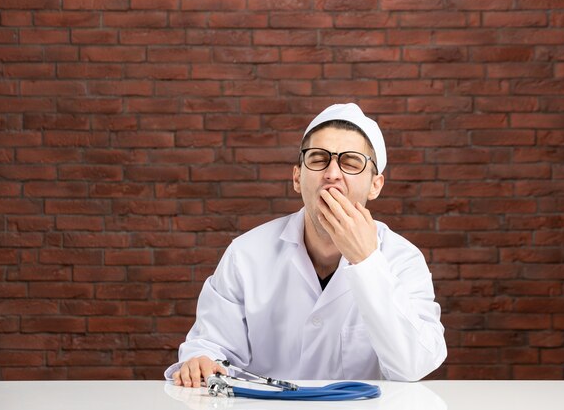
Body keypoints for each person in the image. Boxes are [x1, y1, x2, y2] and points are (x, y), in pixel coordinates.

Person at [164, 103, 447, 387]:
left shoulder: (403, 259)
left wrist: (366, 261)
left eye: (350, 162)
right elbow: (212, 347)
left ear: (376, 185)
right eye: (318, 158)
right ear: (298, 178)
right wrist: (201, 360)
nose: (332, 173)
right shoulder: (246, 254)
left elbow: (414, 365)